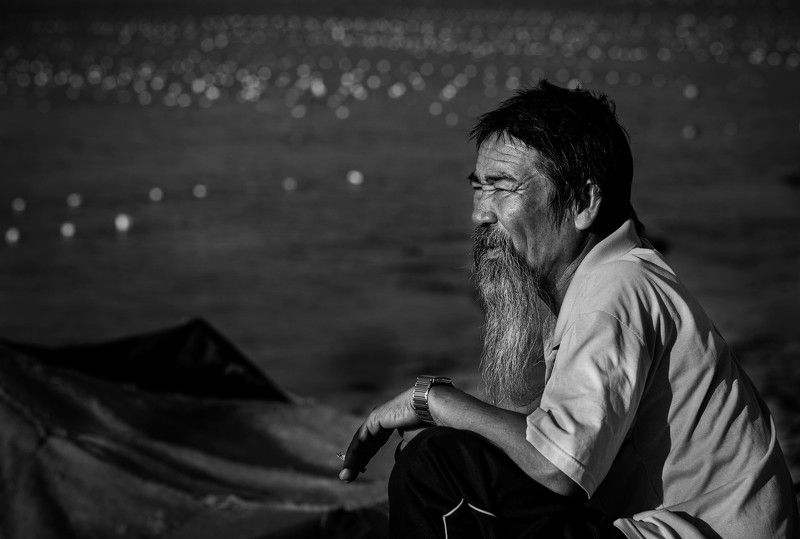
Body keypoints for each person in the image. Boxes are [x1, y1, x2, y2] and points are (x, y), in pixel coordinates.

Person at [338, 80, 799, 538]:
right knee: (450, 454)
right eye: (478, 188)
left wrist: (432, 401)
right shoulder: (607, 279)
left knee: (435, 463)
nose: (479, 213)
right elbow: (546, 441)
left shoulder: (615, 288)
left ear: (583, 201)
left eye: (502, 187)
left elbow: (557, 469)